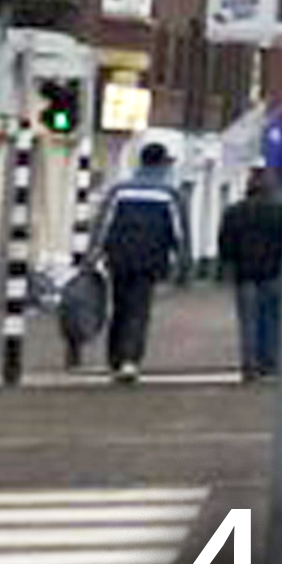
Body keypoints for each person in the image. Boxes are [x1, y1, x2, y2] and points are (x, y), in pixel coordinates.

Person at [95, 144, 186, 384]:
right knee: (139, 310)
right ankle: (130, 360)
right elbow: (179, 232)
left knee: (119, 307)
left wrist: (93, 254)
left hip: (119, 257)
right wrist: (182, 263)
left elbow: (103, 223)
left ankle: (114, 359)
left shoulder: (120, 191)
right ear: (162, 164)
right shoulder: (170, 194)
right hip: (150, 259)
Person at [217, 169, 282, 381]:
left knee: (248, 321)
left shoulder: (233, 212)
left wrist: (228, 266)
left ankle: (250, 365)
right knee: (272, 319)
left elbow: (225, 242)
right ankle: (270, 363)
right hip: (274, 273)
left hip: (244, 274)